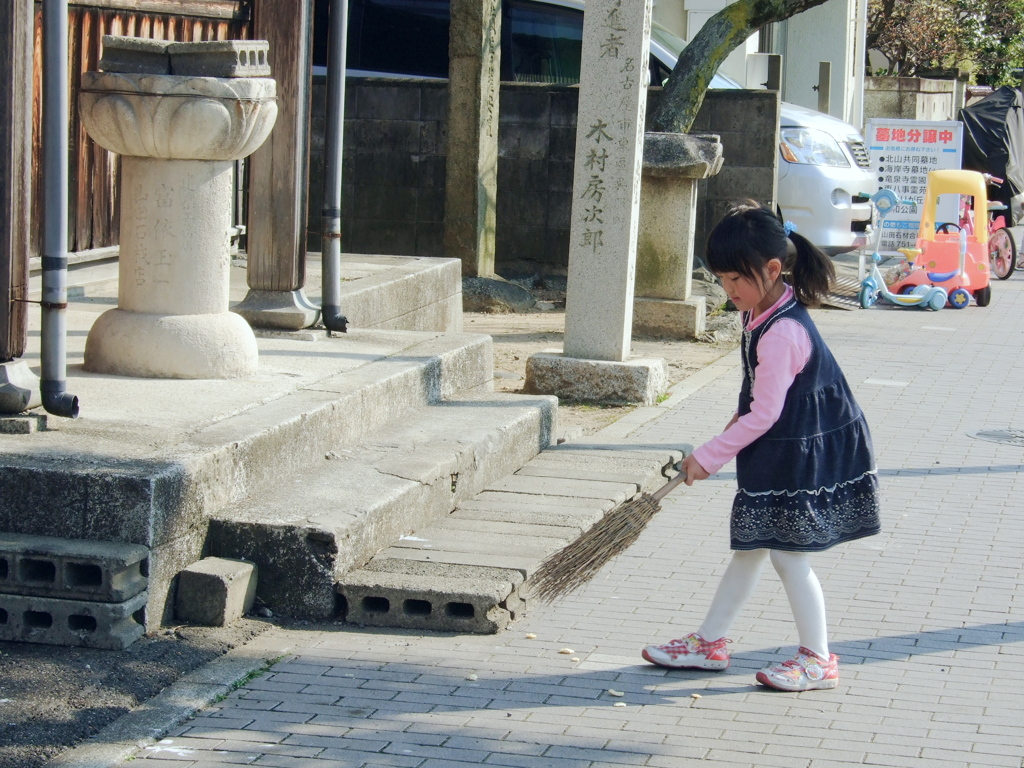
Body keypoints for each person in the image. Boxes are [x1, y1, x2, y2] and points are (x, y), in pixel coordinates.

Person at [641, 202, 881, 692]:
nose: (728, 291)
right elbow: (758, 400)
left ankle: (818, 660)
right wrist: (724, 436)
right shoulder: (761, 312)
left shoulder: (784, 332)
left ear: (773, 270)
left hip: (805, 452)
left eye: (736, 279)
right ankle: (710, 643)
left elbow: (765, 413)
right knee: (751, 548)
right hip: (783, 444)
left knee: (789, 556)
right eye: (722, 278)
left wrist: (709, 456)